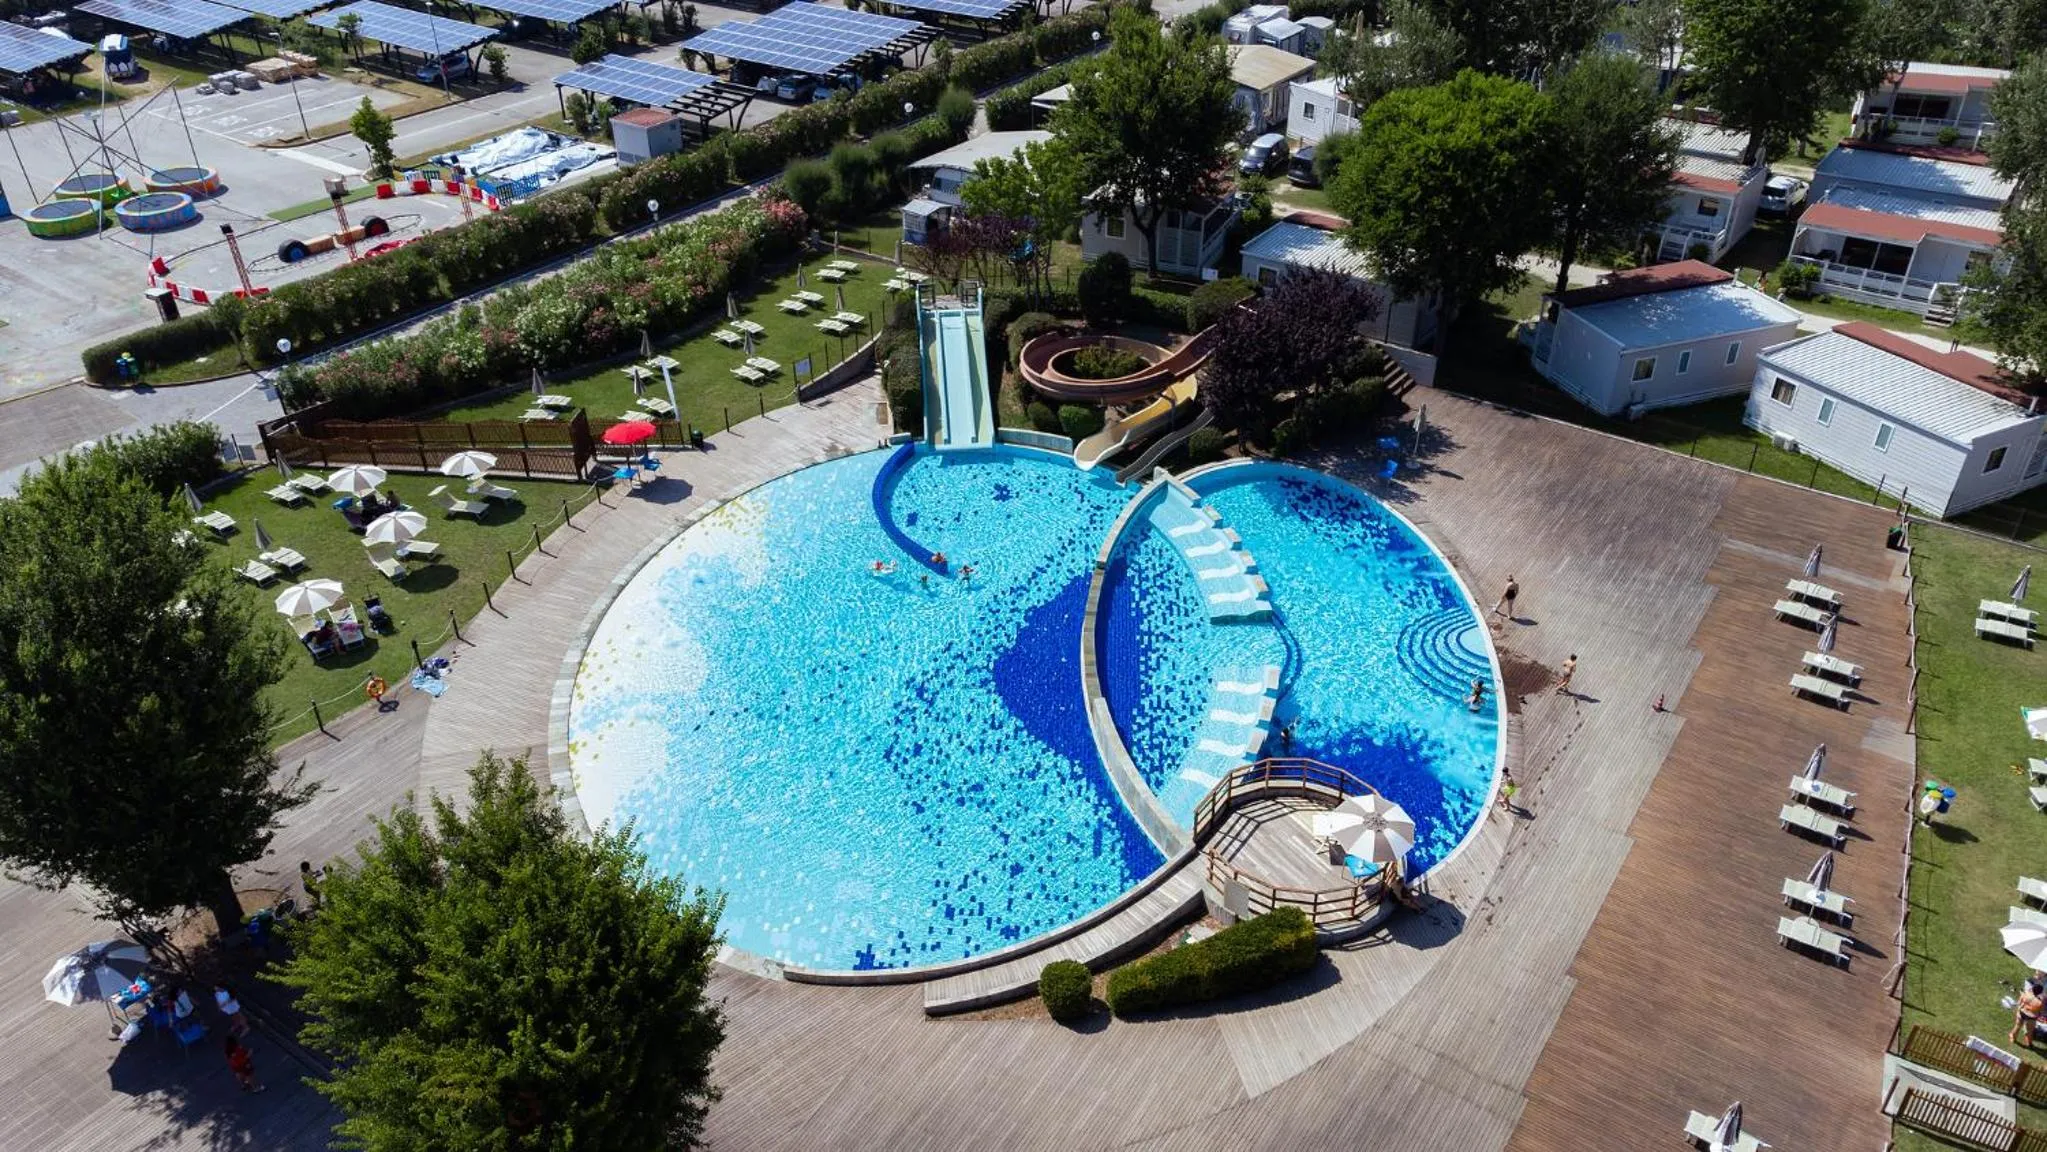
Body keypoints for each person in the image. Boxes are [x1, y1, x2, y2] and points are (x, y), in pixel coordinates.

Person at [2014, 973, 2046, 1046]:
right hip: (2031, 1017)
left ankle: (2012, 1037)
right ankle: (2028, 1043)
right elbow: (2041, 1012)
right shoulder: (2039, 1002)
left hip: (2022, 1012)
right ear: (2040, 992)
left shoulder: (2026, 995)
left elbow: (2019, 1002)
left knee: (2017, 1026)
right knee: (2030, 1031)